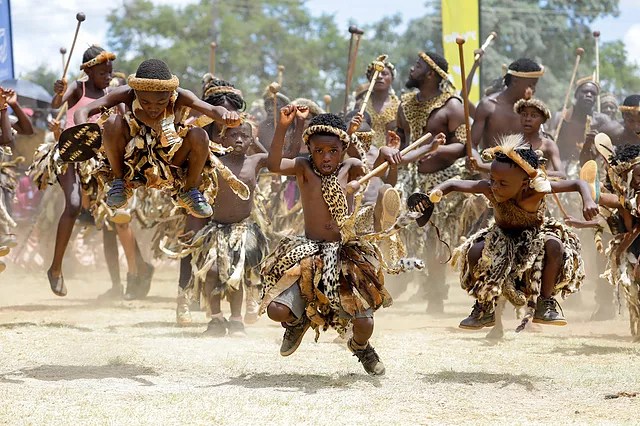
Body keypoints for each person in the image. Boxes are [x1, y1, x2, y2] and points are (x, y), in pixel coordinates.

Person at [261, 108, 408, 376]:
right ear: (309, 149)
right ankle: (297, 321)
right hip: (310, 253)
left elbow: (384, 176)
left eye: (332, 151)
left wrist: (389, 156)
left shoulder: (351, 168)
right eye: (319, 151)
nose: (326, 157)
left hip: (344, 255)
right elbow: (273, 166)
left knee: (365, 324)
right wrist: (282, 127)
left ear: (343, 149)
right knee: (276, 310)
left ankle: (361, 347)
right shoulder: (303, 168)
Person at [411, 135, 598, 330]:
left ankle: (545, 303)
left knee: (555, 246)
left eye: (503, 183)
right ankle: (484, 307)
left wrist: (588, 201)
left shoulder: (536, 191)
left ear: (524, 183)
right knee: (474, 252)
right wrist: (431, 196)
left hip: (535, 235)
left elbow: (579, 184)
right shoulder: (488, 189)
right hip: (500, 235)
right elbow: (452, 184)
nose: (495, 187)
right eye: (492, 180)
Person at [32, 46, 151, 298]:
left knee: (116, 217)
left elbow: (124, 121)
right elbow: (56, 104)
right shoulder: (79, 88)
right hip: (71, 154)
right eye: (102, 73)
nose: (107, 77)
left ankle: (135, 272)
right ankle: (55, 269)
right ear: (88, 72)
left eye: (109, 72)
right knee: (73, 204)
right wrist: (59, 92)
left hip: (101, 160)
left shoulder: (111, 94)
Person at [74, 58, 243, 219]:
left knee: (199, 135)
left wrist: (227, 115)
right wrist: (83, 128)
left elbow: (213, 110)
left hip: (173, 159)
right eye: (145, 102)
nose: (153, 108)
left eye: (161, 102)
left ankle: (189, 190)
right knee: (112, 122)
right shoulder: (126, 93)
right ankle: (119, 182)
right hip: (132, 160)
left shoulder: (181, 96)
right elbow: (82, 111)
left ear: (170, 93)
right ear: (135, 92)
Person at [395, 51, 478, 313]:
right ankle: (400, 282)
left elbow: (463, 146)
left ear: (431, 74)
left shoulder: (452, 106)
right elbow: (400, 139)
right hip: (411, 179)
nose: (412, 68)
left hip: (443, 181)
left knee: (435, 235)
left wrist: (436, 151)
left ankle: (436, 295)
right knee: (402, 231)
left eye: (418, 65)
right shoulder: (405, 104)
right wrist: (396, 148)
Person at [187, 119, 269, 336]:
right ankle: (215, 319)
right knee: (211, 272)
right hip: (215, 229)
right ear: (222, 139)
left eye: (244, 136)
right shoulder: (213, 163)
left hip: (242, 230)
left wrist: (287, 127)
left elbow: (278, 158)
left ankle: (236, 320)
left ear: (252, 140)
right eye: (233, 135)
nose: (239, 140)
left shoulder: (254, 162)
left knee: (235, 275)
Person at [471, 58, 544, 151]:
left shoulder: (531, 112)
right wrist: (477, 159)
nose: (533, 90)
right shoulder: (488, 106)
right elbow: (472, 145)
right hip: (488, 159)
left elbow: (538, 144)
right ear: (515, 81)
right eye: (530, 85)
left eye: (534, 85)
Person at [355, 56, 399, 148]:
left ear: (392, 78)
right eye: (375, 73)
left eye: (384, 73)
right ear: (369, 78)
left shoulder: (399, 106)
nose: (379, 76)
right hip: (365, 153)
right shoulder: (361, 105)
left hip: (391, 153)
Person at [514, 98, 565, 178]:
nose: (527, 119)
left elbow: (562, 175)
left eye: (534, 116)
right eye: (524, 115)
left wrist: (534, 171)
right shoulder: (514, 143)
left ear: (543, 120)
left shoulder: (548, 145)